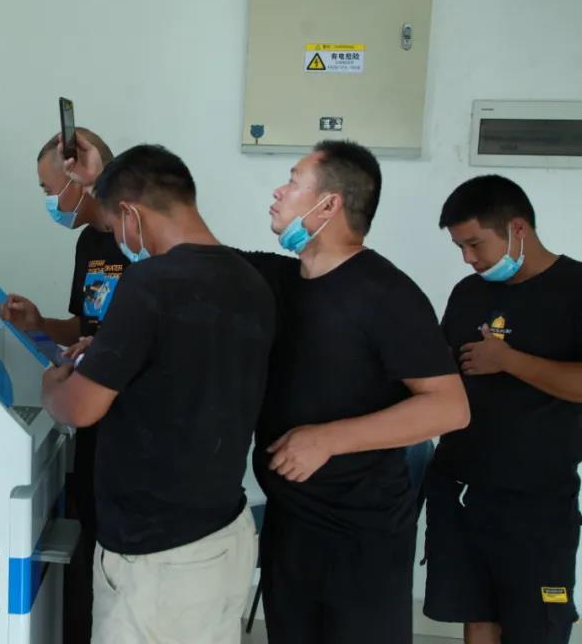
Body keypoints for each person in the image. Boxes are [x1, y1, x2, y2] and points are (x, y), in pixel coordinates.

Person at [42, 141, 275, 644]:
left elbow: (81, 408)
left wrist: (52, 388)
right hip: (222, 535)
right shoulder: (250, 280)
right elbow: (183, 361)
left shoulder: (150, 282)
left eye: (115, 226)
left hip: (157, 557)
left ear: (130, 214)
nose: (119, 238)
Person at [239, 140, 470, 644]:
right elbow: (188, 244)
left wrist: (328, 439)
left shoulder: (386, 294)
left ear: (329, 204)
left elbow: (450, 407)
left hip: (360, 537)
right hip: (290, 525)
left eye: (293, 181)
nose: (278, 192)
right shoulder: (277, 279)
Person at [424, 175, 582, 644]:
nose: (468, 258)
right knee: (477, 615)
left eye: (475, 244)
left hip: (537, 502)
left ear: (517, 228)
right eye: (460, 247)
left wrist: (509, 360)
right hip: (463, 489)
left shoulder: (575, 289)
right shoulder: (467, 293)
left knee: (537, 626)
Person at [0, 127, 127, 644]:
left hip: (130, 421)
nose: (49, 201)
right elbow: (86, 325)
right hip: (92, 418)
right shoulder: (88, 243)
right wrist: (40, 326)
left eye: (49, 189)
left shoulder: (138, 240)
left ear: (79, 179)